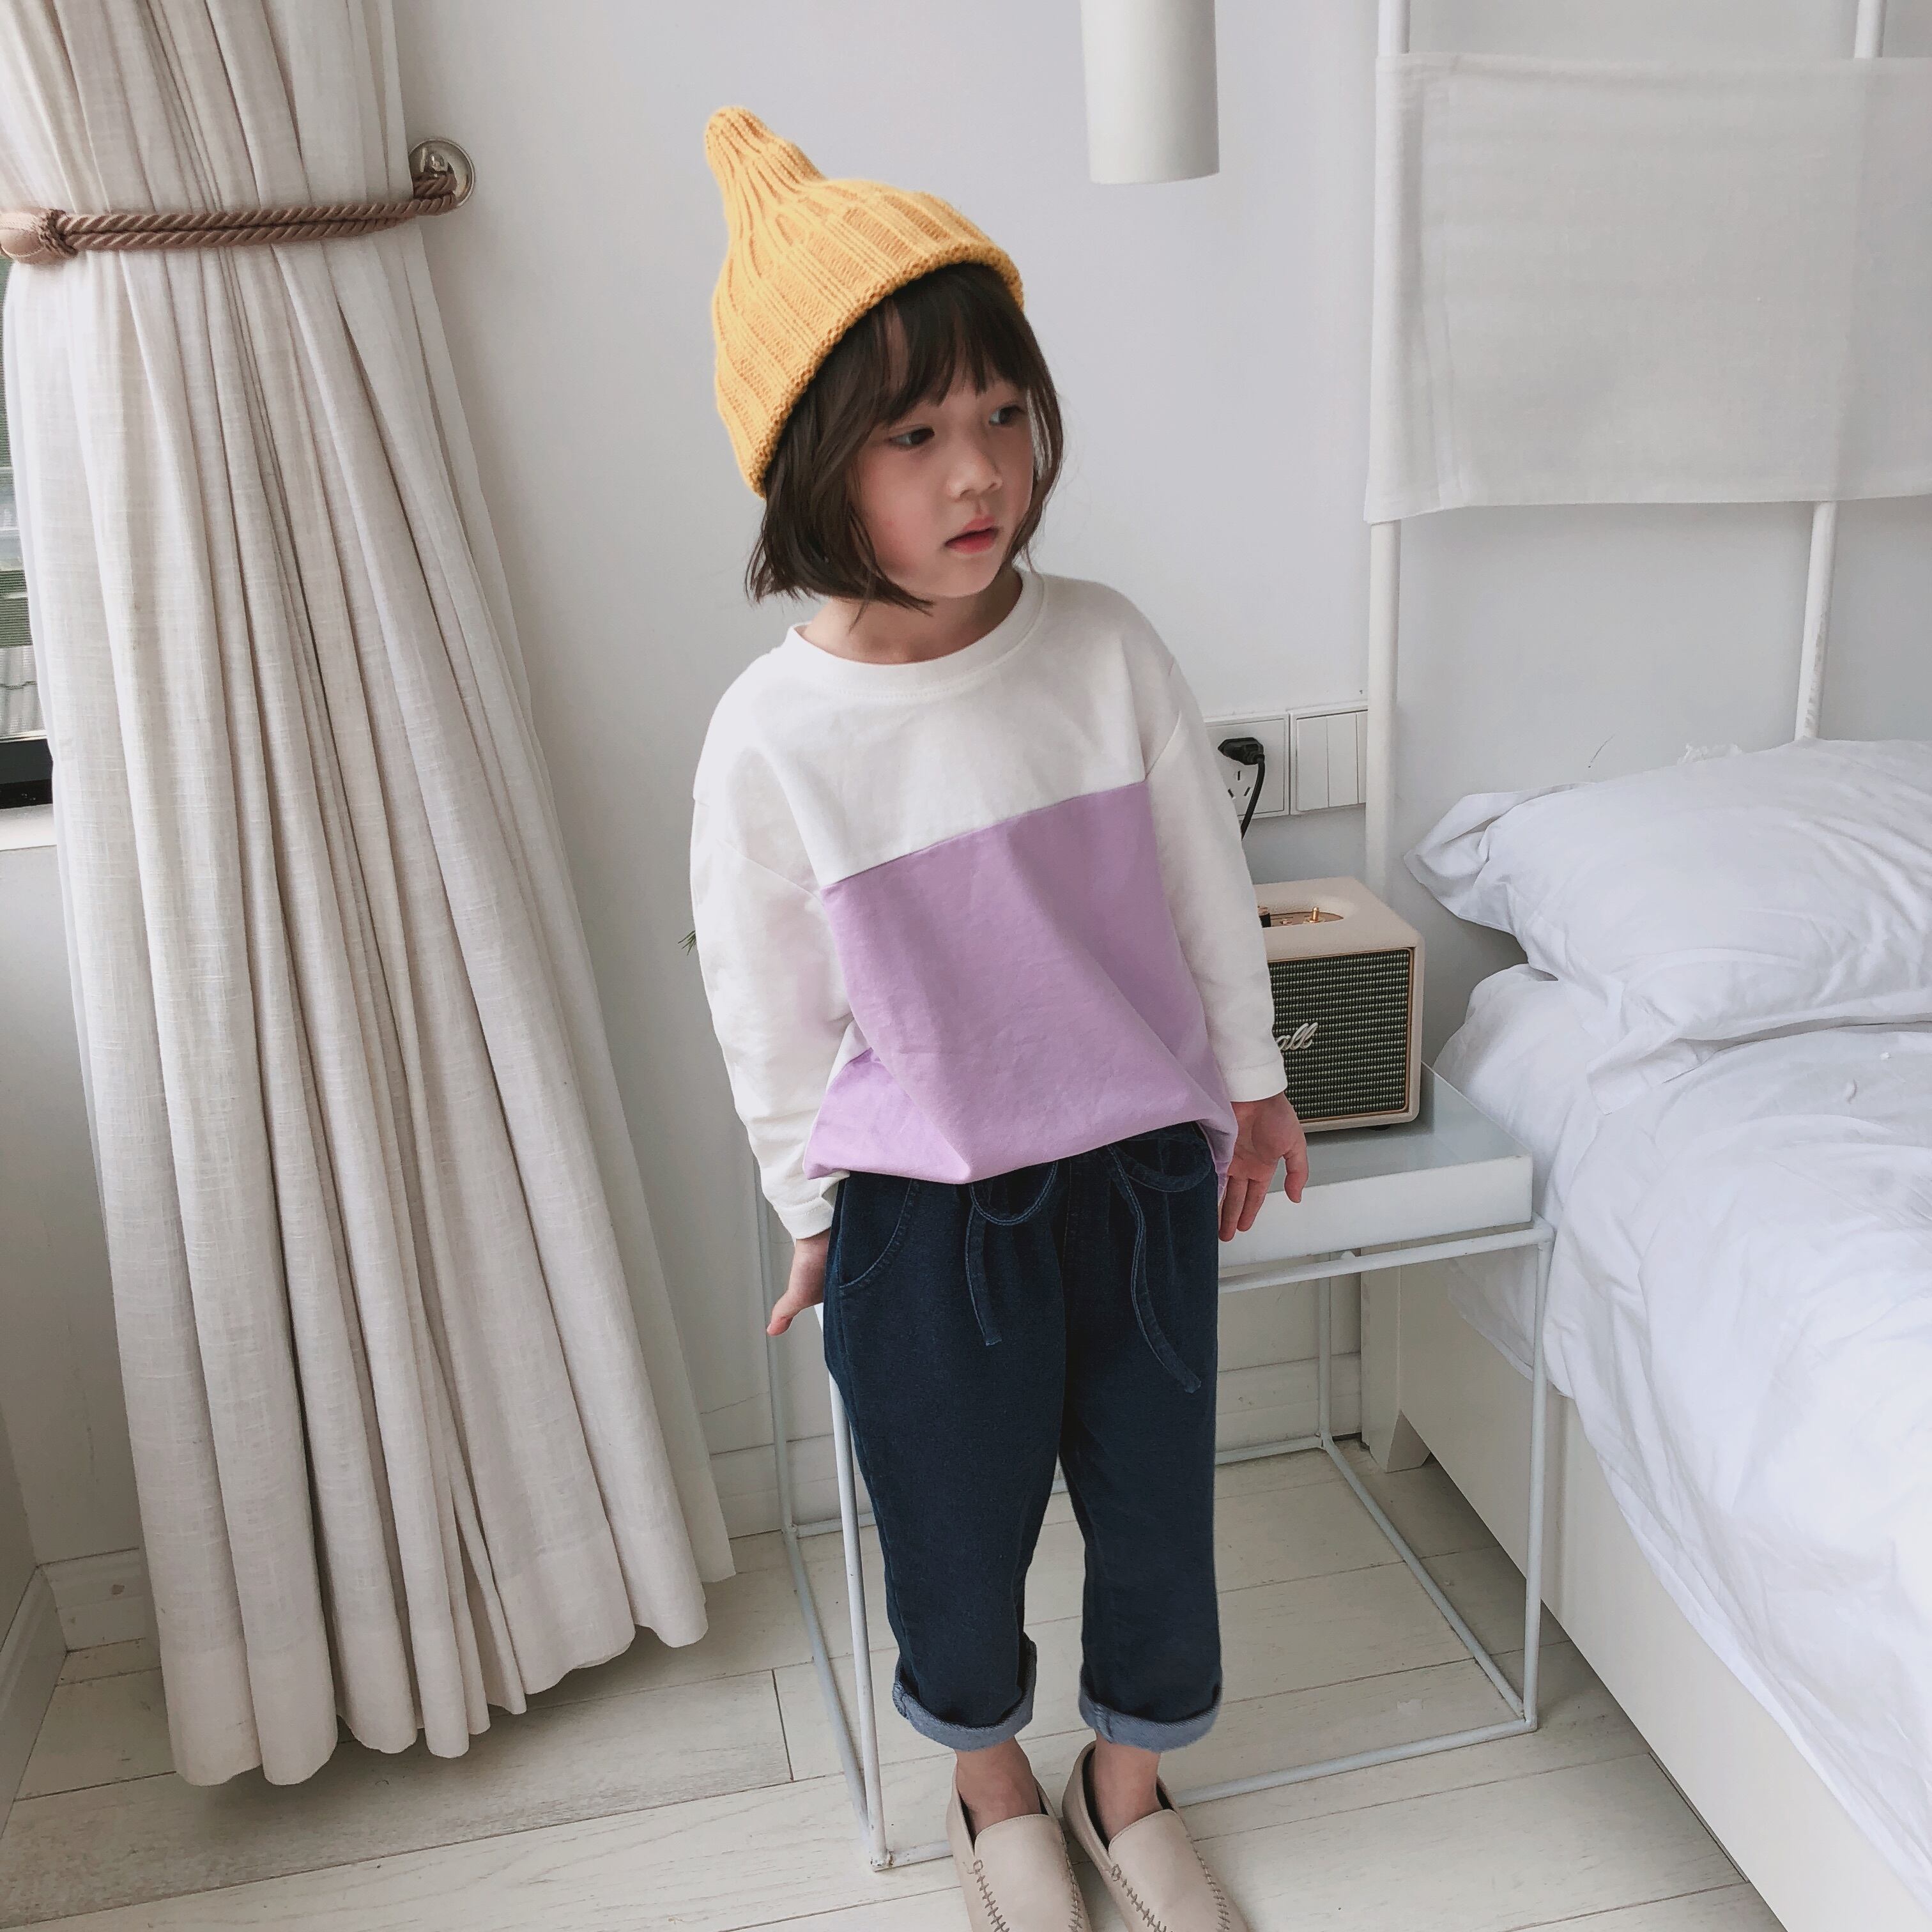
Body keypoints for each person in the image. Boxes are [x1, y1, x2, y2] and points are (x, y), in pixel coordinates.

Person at [691, 106, 1307, 1932]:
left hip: (1136, 1180)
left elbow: (1201, 882)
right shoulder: (773, 737)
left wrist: (1256, 1084)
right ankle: (989, 1793)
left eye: (1004, 416)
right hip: (925, 1213)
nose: (980, 473)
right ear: (810, 466)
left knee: (1156, 1508)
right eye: (914, 436)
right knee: (950, 1532)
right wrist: (814, 1204)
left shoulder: (1104, 648)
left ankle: (1131, 1784)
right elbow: (765, 1002)